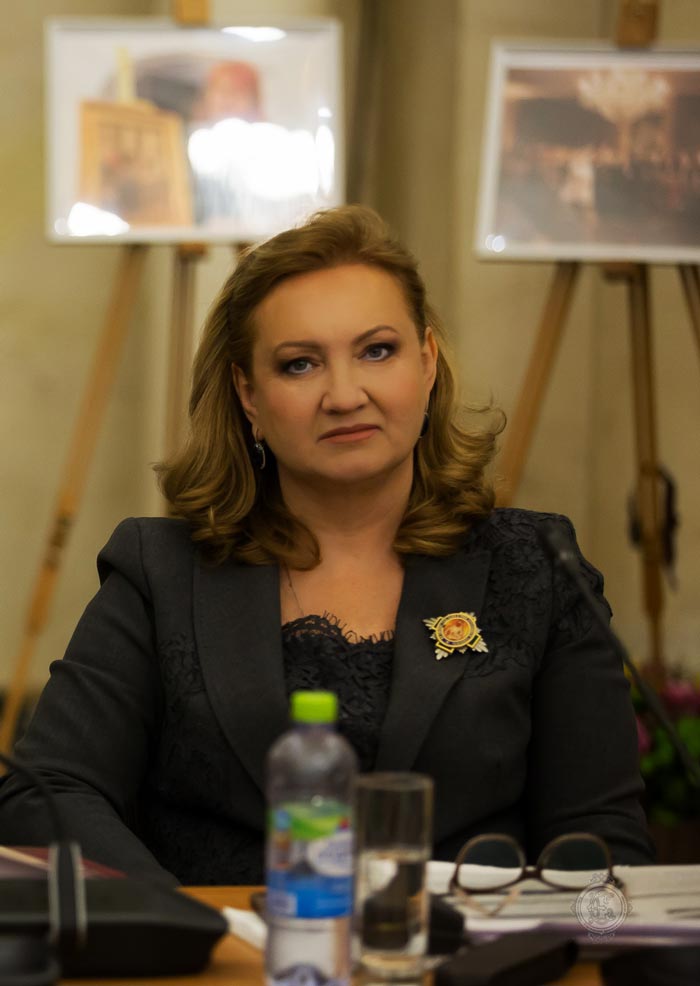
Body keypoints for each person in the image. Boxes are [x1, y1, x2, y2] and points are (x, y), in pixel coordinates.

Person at [0, 205, 653, 886]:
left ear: (427, 362)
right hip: (228, 944)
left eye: (377, 351)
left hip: (469, 941)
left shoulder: (537, 565)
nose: (344, 395)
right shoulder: (162, 571)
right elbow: (48, 794)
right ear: (248, 394)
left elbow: (600, 841)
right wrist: (191, 922)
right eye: (300, 364)